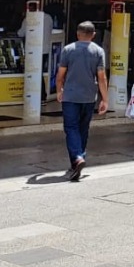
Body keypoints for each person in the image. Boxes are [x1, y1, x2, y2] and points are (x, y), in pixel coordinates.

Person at [55, 22, 108, 181]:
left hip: (70, 96)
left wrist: (59, 90)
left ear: (78, 34)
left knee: (71, 128)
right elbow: (101, 77)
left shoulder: (68, 49)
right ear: (93, 35)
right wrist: (105, 98)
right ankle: (78, 159)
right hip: (89, 97)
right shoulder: (98, 51)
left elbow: (60, 74)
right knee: (83, 128)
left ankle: (77, 158)